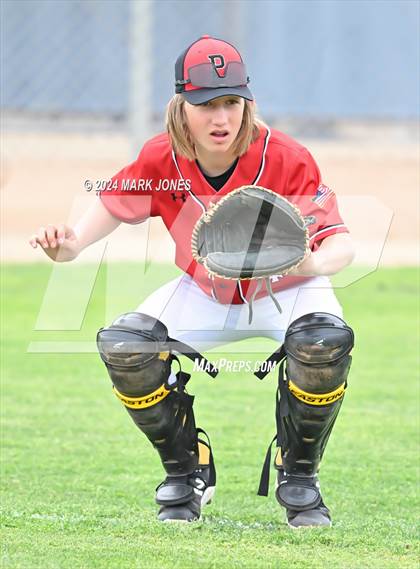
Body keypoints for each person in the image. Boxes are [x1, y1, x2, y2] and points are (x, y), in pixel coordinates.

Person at [29, 35, 355, 527]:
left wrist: (305, 265)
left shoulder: (285, 156)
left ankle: (299, 474)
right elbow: (106, 212)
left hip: (285, 291)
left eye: (231, 102)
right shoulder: (161, 158)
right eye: (205, 104)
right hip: (204, 292)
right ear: (181, 106)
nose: (220, 118)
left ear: (248, 103)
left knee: (323, 343)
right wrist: (68, 247)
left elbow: (342, 244)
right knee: (126, 347)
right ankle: (187, 471)